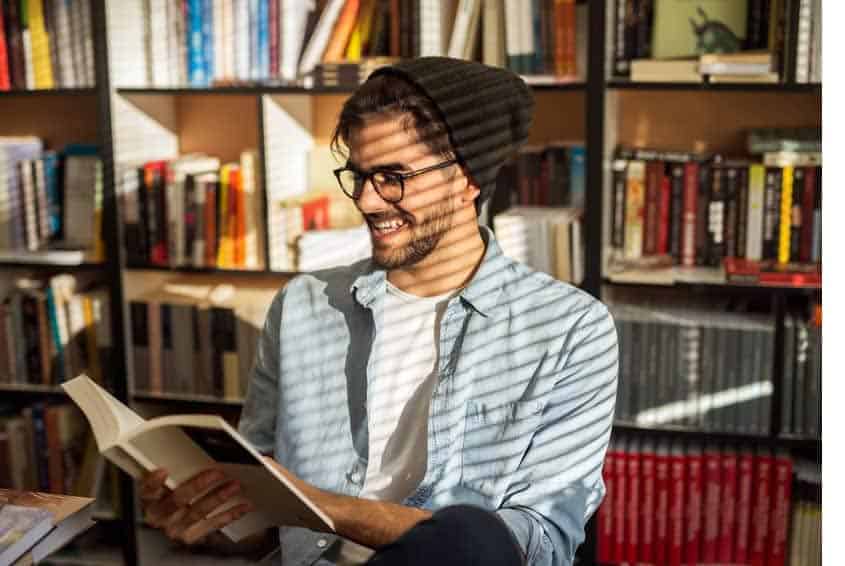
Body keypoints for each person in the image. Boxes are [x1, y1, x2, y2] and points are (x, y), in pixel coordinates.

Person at [140, 56, 619, 566]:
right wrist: (206, 514)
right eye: (360, 175)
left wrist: (328, 508)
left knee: (475, 535)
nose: (368, 201)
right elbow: (266, 524)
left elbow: (537, 546)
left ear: (467, 178)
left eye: (393, 177)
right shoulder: (302, 306)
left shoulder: (570, 329)